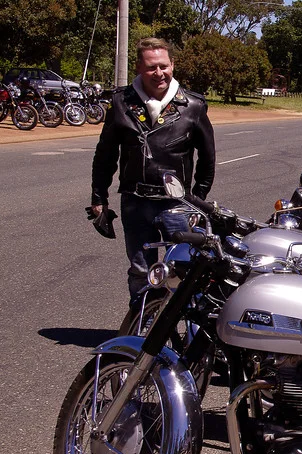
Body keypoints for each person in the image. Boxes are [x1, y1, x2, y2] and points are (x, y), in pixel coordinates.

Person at [90, 37, 216, 304]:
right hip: (135, 204)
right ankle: (141, 330)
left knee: (186, 271)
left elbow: (207, 157)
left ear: (172, 65)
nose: (158, 73)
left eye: (163, 66)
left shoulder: (192, 105)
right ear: (138, 68)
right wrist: (98, 197)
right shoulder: (121, 103)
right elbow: (106, 154)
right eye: (151, 67)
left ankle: (189, 336)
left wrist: (197, 200)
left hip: (177, 206)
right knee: (141, 272)